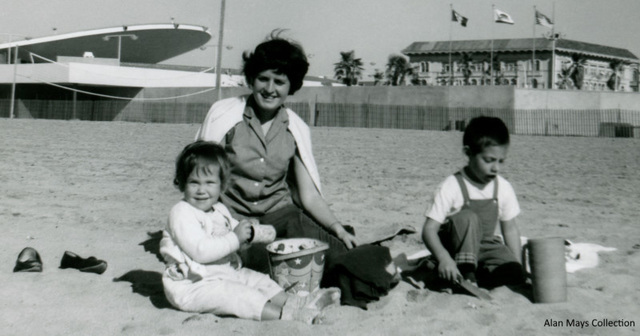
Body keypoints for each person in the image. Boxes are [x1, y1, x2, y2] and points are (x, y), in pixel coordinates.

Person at [195, 31, 358, 274]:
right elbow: (201, 179)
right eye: (263, 79)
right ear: (251, 79)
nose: (270, 89)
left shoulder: (295, 128)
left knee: (339, 258)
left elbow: (309, 196)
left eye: (279, 82)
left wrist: (337, 228)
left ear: (291, 86)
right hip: (233, 219)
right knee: (265, 263)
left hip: (283, 216)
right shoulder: (224, 116)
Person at [159, 141, 340, 324]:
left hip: (224, 273)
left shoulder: (220, 209)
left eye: (209, 183)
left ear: (221, 185)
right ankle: (288, 316)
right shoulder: (181, 212)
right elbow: (201, 251)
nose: (201, 190)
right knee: (240, 296)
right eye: (194, 182)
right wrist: (235, 238)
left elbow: (238, 232)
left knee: (258, 280)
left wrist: (253, 233)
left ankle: (296, 302)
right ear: (182, 183)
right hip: (194, 286)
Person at [421, 116, 526, 291]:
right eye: (489, 160)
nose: (496, 168)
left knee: (512, 273)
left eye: (501, 161)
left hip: (485, 246)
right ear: (468, 153)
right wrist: (444, 258)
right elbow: (429, 230)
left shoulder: (503, 187)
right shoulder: (452, 185)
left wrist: (518, 265)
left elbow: (510, 229)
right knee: (467, 217)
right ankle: (465, 274)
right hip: (454, 248)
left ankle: (479, 276)